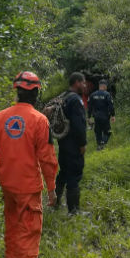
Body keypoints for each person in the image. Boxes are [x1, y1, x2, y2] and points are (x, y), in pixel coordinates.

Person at [0, 71, 58, 258]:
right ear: (36, 93)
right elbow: (47, 159)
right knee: (29, 232)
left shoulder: (0, 117)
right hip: (29, 187)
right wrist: (52, 189)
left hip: (8, 185)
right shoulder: (40, 121)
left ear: (17, 91)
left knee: (13, 226)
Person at [54, 72, 87, 214]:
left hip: (62, 142)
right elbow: (78, 124)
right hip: (73, 144)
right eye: (83, 82)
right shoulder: (75, 100)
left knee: (64, 172)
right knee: (74, 173)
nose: (84, 85)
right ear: (77, 82)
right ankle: (74, 211)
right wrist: (82, 143)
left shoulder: (63, 96)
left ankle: (55, 202)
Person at [87, 79, 115, 150]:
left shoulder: (93, 95)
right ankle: (103, 143)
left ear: (99, 86)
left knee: (98, 131)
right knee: (108, 131)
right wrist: (113, 115)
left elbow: (89, 107)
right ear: (105, 86)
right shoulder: (107, 94)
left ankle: (99, 145)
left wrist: (89, 117)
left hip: (96, 117)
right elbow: (111, 106)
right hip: (105, 116)